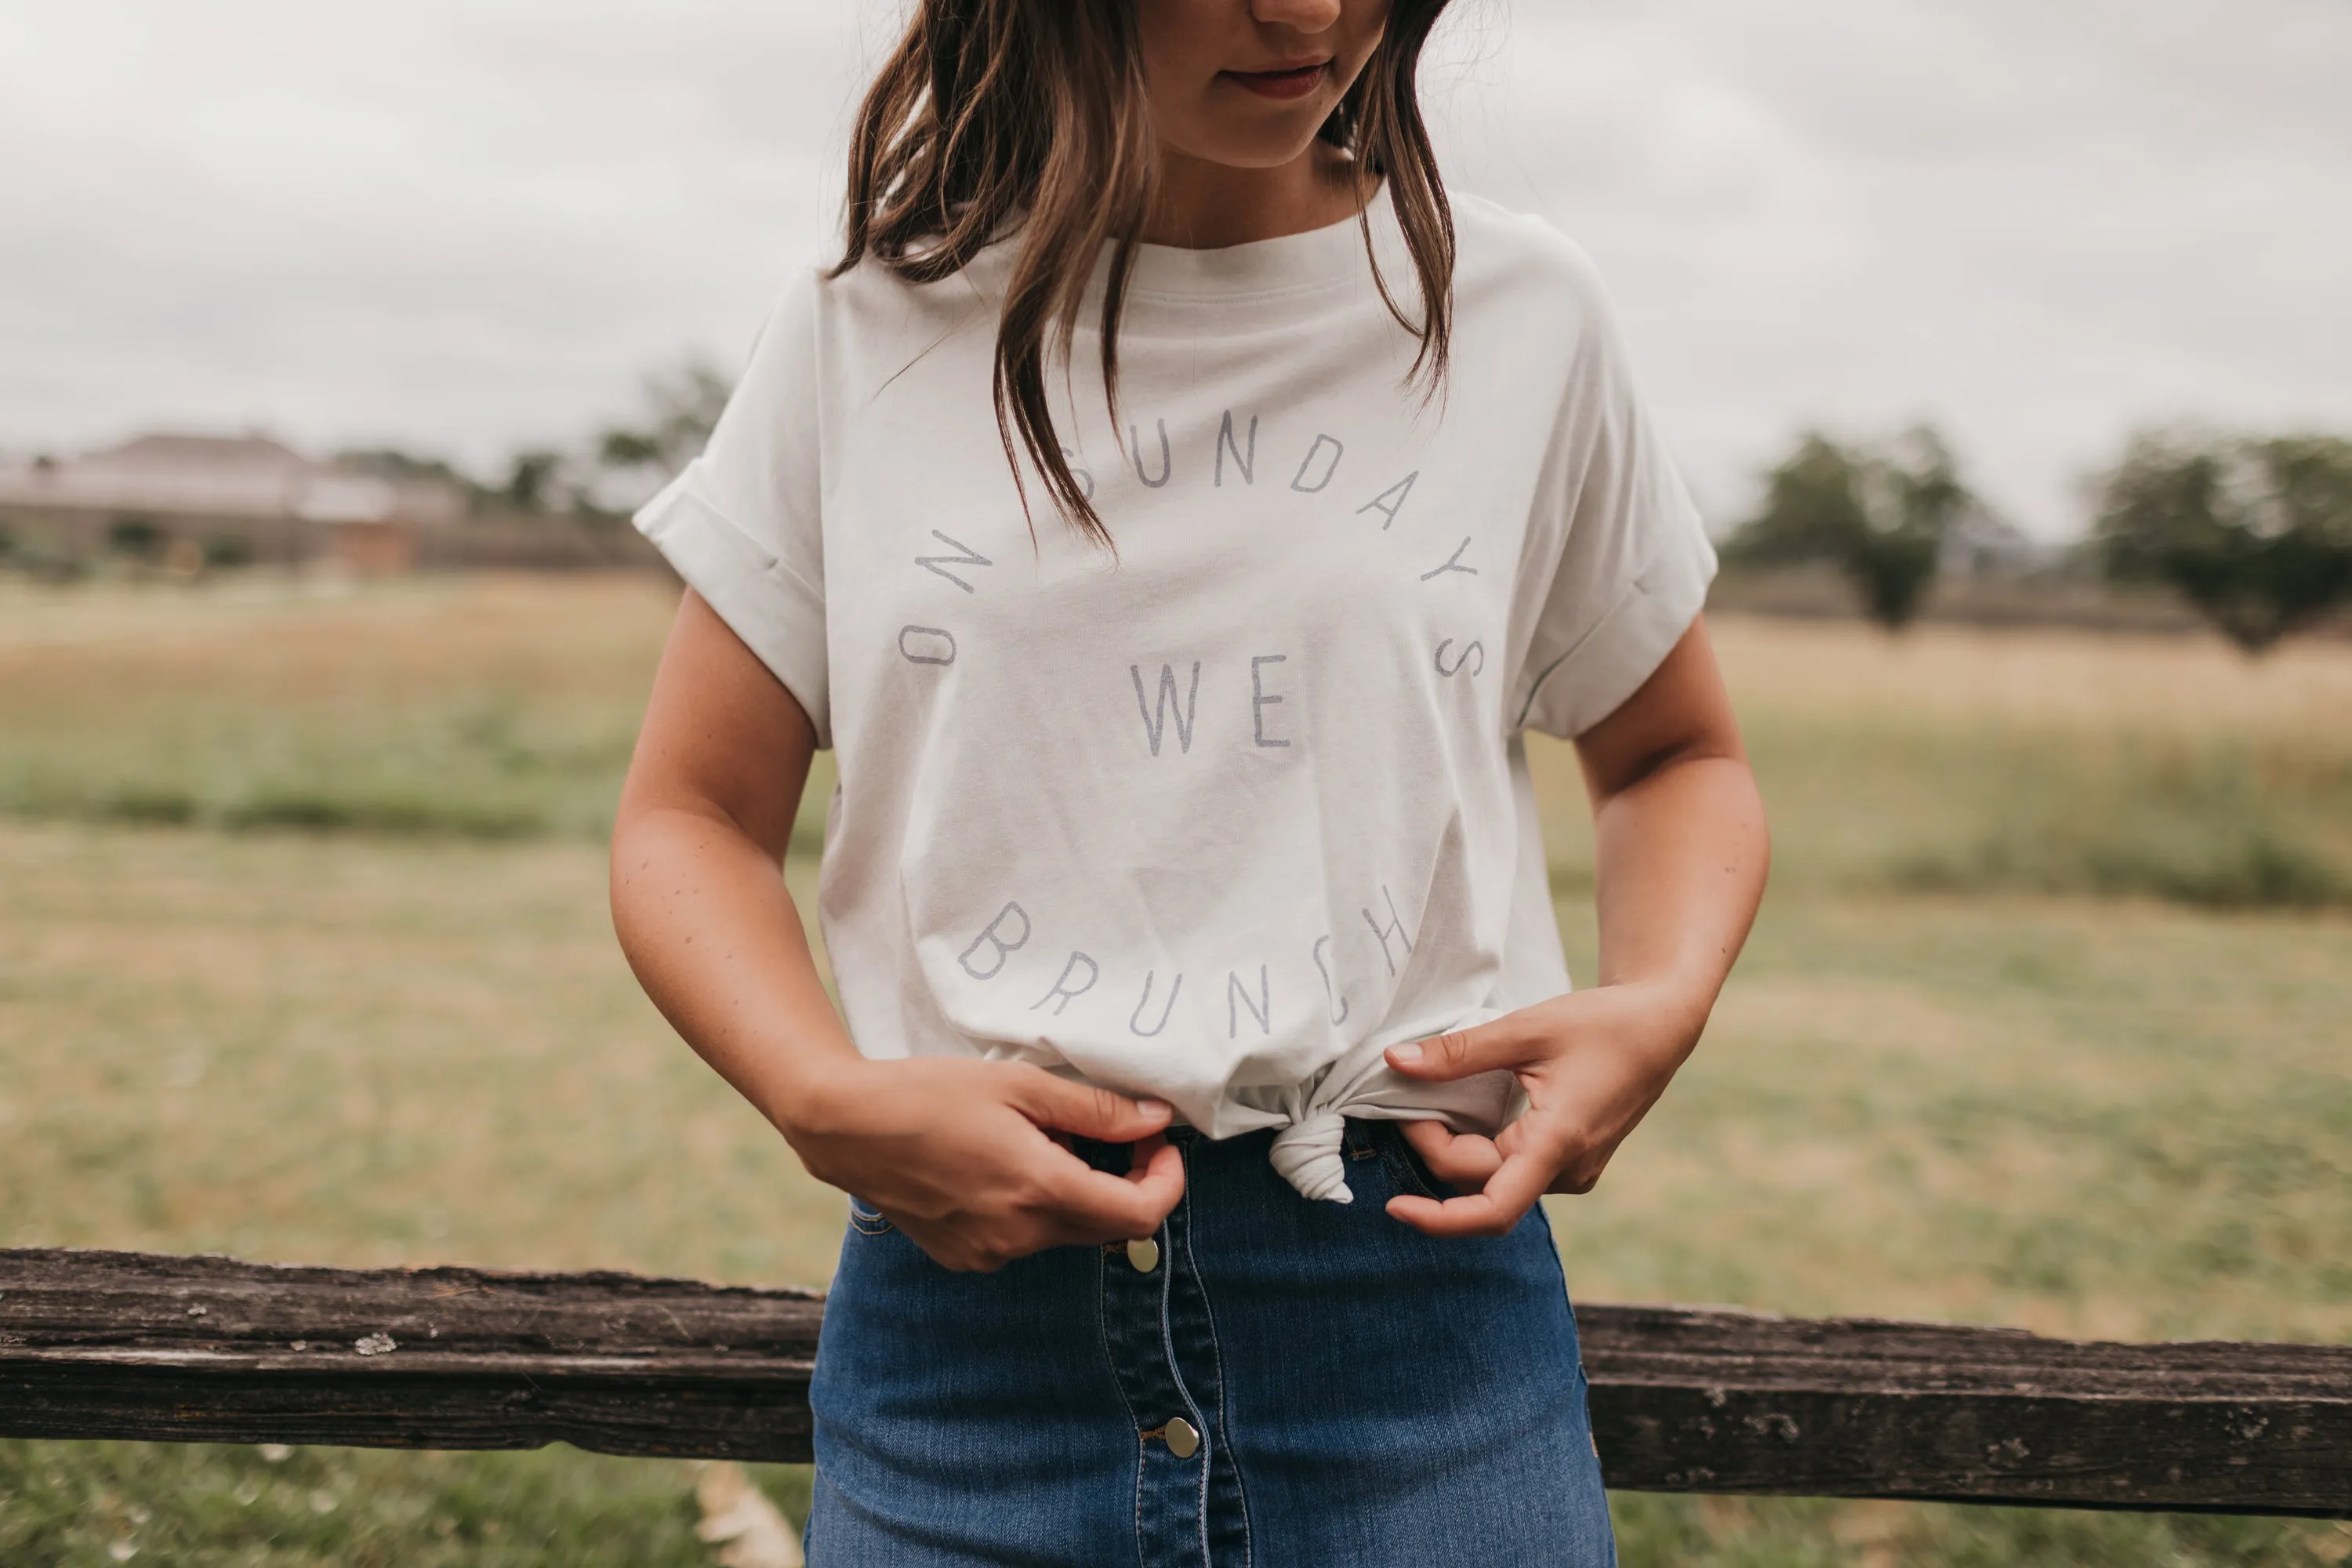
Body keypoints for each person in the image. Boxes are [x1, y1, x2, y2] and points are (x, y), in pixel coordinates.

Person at [609, 0, 1769, 1560]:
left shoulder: (1520, 314)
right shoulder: (868, 328)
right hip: (968, 1343)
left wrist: (1662, 999)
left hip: (1420, 1325)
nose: (1305, 11)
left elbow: (1677, 756)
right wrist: (822, 1097)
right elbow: (690, 814)